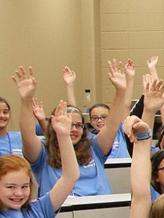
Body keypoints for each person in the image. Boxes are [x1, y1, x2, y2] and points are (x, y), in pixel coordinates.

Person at [12, 62, 129, 197]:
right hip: (61, 214)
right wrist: (26, 100)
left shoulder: (94, 148)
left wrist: (120, 92)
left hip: (98, 211)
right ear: (54, 126)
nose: (73, 129)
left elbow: (111, 125)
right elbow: (28, 135)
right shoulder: (43, 152)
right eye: (67, 124)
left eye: (78, 125)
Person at [0, 102, 79, 218]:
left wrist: (63, 136)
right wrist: (25, 99)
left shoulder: (39, 210)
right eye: (10, 187)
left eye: (25, 186)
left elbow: (70, 176)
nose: (19, 193)